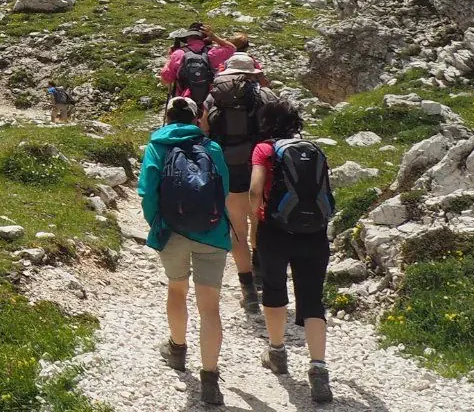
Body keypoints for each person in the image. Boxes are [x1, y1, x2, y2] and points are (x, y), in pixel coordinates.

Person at [139, 95, 232, 406]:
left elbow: (147, 192)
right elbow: (224, 190)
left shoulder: (156, 146)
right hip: (212, 234)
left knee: (177, 290)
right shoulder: (213, 148)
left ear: (166, 117)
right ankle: (210, 380)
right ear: (197, 117)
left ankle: (177, 350)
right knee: (210, 307)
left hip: (172, 231)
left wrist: (158, 223)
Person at [249, 92, 336, 404]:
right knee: (313, 299)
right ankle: (318, 369)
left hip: (275, 230)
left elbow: (256, 189)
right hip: (314, 232)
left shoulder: (265, 149)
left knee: (274, 289)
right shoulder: (314, 149)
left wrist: (253, 226)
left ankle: (277, 351)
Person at [203, 48, 269, 313]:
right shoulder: (264, 95)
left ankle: (248, 290)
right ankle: (261, 268)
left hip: (229, 171)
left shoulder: (213, 97)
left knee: (237, 229)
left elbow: (204, 131)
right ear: (252, 73)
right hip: (260, 168)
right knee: (261, 219)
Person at [160, 22, 235, 105]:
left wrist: (170, 57)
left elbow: (165, 79)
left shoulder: (178, 53)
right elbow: (232, 48)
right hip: (207, 101)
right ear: (205, 38)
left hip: (184, 101)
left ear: (187, 37)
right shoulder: (211, 52)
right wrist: (215, 37)